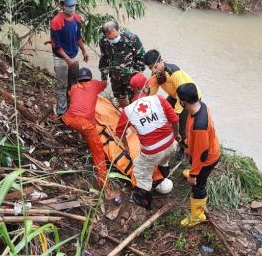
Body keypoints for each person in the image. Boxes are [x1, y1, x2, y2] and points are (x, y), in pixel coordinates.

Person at [115, 74, 180, 210]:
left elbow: (120, 133)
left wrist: (126, 147)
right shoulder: (159, 99)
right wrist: (176, 135)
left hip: (152, 152)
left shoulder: (128, 110)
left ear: (133, 90)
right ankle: (164, 172)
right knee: (164, 157)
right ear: (146, 87)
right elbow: (174, 120)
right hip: (171, 144)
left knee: (140, 170)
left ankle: (145, 201)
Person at [62, 68, 117, 199]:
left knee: (82, 126)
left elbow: (71, 95)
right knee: (98, 154)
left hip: (68, 119)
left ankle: (81, 136)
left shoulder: (74, 88)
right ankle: (106, 189)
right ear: (90, 78)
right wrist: (105, 75)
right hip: (85, 124)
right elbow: (105, 83)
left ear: (78, 80)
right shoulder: (95, 84)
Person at [143, 50, 201, 160]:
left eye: (155, 67)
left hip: (188, 97)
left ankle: (183, 148)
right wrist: (146, 102)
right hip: (175, 96)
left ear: (161, 61)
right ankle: (167, 138)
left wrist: (176, 113)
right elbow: (153, 90)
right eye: (151, 68)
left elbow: (182, 94)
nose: (154, 71)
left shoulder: (175, 73)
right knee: (162, 113)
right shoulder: (155, 74)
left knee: (181, 126)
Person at [176, 83, 220, 227]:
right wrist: (188, 145)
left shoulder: (200, 126)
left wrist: (194, 175)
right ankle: (194, 173)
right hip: (204, 149)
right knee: (196, 169)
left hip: (207, 159)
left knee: (198, 187)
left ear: (183, 102)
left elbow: (202, 154)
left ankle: (197, 216)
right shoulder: (200, 105)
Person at [50, 0, 89, 118]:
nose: (72, 8)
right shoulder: (56, 22)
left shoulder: (77, 19)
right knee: (62, 85)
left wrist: (84, 50)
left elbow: (78, 37)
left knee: (73, 84)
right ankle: (62, 112)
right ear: (62, 5)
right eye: (69, 5)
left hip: (74, 55)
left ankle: (73, 108)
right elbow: (56, 45)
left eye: (73, 5)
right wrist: (67, 59)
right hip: (61, 58)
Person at [98, 21, 146, 108]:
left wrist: (136, 75)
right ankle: (125, 114)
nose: (114, 40)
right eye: (111, 39)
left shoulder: (131, 38)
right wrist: (104, 77)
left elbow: (142, 58)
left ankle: (135, 118)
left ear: (118, 30)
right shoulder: (103, 41)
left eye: (116, 37)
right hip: (115, 76)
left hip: (132, 77)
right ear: (105, 36)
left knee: (135, 101)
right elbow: (104, 58)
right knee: (120, 97)